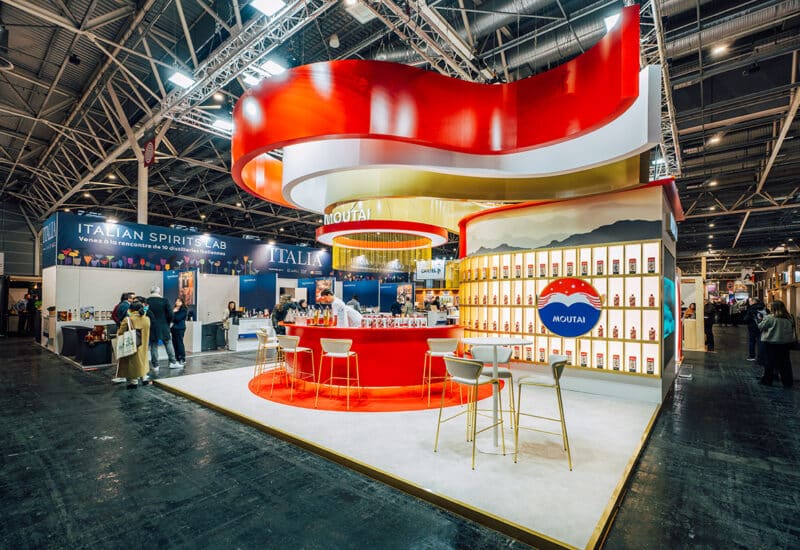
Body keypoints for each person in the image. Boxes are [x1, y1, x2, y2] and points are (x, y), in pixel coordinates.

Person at [757, 300, 795, 387]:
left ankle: (767, 380)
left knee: (769, 362)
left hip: (771, 342)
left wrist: (760, 320)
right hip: (785, 343)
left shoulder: (770, 318)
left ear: (773, 308)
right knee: (785, 363)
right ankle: (787, 382)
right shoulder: (789, 318)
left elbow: (761, 327)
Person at [116, 301, 151, 389]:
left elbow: (120, 332)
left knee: (133, 362)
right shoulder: (147, 319)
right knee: (142, 360)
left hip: (133, 344)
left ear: (131, 310)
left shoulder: (128, 319)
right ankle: (144, 378)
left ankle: (134, 381)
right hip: (144, 345)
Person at [146, 286, 181, 370]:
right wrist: (168, 323)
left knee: (153, 345)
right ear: (159, 292)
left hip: (152, 326)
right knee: (168, 343)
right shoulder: (164, 301)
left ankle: (155, 365)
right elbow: (170, 314)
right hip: (164, 326)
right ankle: (173, 362)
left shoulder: (147, 301)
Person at [171, 298, 188, 364]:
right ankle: (177, 357)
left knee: (179, 343)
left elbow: (177, 318)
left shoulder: (183, 310)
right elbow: (170, 317)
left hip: (180, 328)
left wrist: (173, 312)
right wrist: (173, 312)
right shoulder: (174, 309)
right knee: (174, 343)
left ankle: (182, 358)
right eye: (176, 301)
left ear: (182, 302)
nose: (177, 302)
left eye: (179, 301)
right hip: (173, 329)